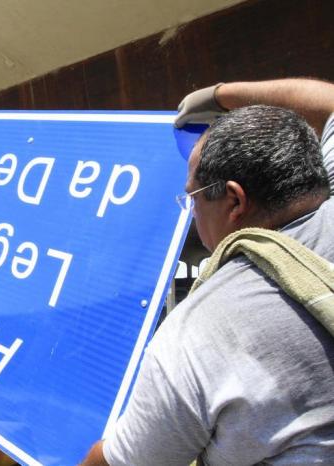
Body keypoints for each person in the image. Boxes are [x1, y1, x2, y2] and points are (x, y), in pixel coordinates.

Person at [81, 78, 334, 465]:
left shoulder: (198, 334)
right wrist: (220, 95)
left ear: (234, 200)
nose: (192, 212)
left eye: (193, 198)